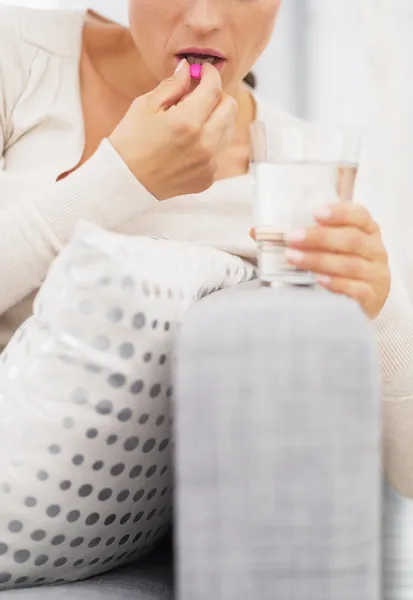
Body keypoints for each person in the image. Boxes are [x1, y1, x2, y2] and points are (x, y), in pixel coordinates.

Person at [0, 2, 411, 495]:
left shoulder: (299, 171)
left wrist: (381, 311)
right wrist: (122, 178)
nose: (203, 20)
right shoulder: (22, 52)